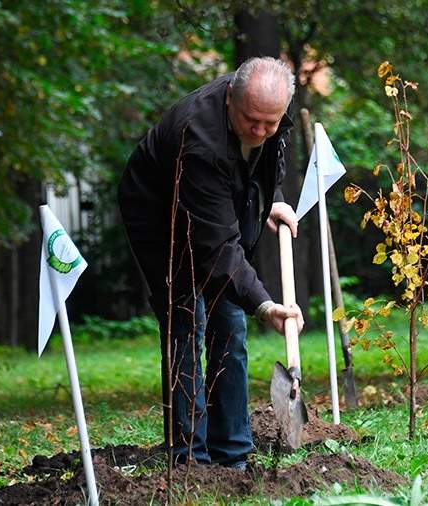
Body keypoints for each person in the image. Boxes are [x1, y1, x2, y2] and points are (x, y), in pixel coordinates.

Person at [117, 57, 305, 470]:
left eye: (269, 123)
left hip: (215, 207)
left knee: (230, 326)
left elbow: (264, 161)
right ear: (229, 102)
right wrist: (264, 304)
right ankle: (190, 461)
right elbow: (217, 249)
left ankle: (232, 453)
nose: (260, 131)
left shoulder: (267, 112)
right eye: (251, 120)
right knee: (188, 318)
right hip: (158, 214)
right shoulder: (198, 138)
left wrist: (271, 197)